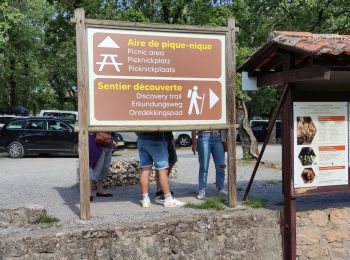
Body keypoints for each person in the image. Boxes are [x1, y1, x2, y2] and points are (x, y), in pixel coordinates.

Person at [136, 131, 184, 208]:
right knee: (162, 170)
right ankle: (168, 199)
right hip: (156, 139)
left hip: (141, 139)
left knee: (145, 169)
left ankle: (145, 199)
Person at [191, 130, 227, 200]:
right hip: (203, 135)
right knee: (204, 166)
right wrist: (194, 142)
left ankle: (221, 188)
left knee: (221, 165)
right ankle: (202, 190)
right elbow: (194, 125)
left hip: (218, 136)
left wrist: (225, 140)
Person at [89, 132, 114, 201]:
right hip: (96, 142)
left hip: (108, 141)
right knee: (94, 167)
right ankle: (88, 193)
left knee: (104, 168)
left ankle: (100, 190)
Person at [155, 131, 177, 203]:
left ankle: (163, 186)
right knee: (161, 164)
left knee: (172, 160)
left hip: (168, 136)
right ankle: (160, 189)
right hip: (160, 136)